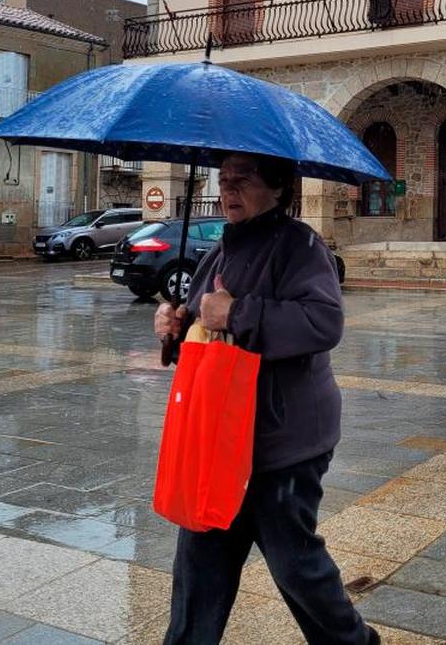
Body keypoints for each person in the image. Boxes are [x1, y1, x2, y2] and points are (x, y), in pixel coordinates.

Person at [154, 151, 379, 645]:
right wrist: (175, 326)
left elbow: (324, 322)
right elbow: (203, 329)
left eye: (243, 180)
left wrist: (237, 312)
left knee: (298, 568)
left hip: (281, 442)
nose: (228, 189)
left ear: (278, 188)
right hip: (217, 439)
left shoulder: (300, 246)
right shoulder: (219, 251)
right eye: (223, 179)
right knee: (197, 571)